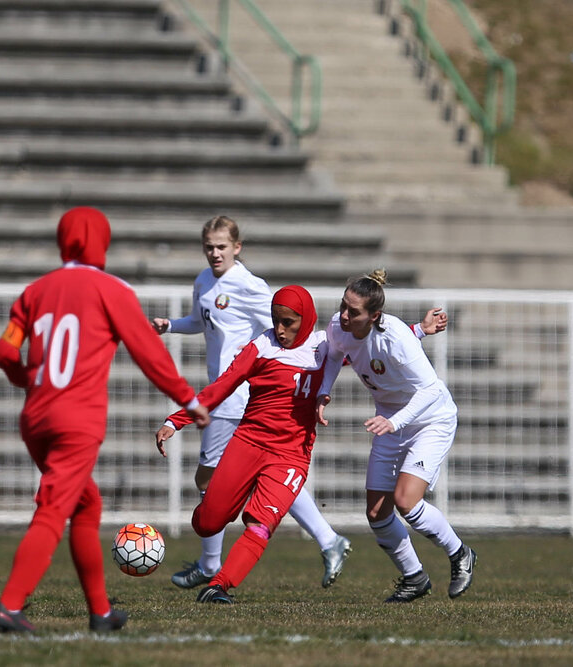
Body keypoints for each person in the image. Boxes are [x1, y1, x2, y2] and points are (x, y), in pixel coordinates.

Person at [0, 206, 210, 633]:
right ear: (101, 243)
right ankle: (9, 606)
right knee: (53, 508)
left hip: (36, 417)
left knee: (85, 503)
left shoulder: (34, 291)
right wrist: (187, 397)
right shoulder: (112, 289)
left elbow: (5, 348)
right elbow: (147, 350)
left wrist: (25, 379)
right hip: (77, 420)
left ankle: (101, 612)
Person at [149, 216, 360, 589]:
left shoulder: (252, 289)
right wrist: (172, 327)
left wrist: (416, 332)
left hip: (246, 405)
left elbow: (310, 336)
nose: (215, 253)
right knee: (224, 497)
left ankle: (213, 569)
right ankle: (326, 539)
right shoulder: (206, 283)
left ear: (237, 247)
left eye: (221, 246)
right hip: (231, 399)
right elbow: (202, 323)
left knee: (237, 489)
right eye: (209, 247)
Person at [155, 285, 336, 603]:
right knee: (208, 523)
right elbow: (223, 385)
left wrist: (417, 331)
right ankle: (211, 522)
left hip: (291, 455)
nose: (280, 330)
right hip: (248, 442)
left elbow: (370, 346)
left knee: (261, 522)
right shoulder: (262, 346)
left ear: (307, 319)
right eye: (276, 321)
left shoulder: (325, 346)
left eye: (288, 322)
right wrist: (176, 420)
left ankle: (219, 586)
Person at [316, 269, 476, 603]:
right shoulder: (339, 326)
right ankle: (415, 578)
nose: (343, 315)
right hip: (390, 421)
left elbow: (431, 390)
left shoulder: (395, 335)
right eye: (343, 306)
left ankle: (460, 553)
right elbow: (333, 353)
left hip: (430, 421)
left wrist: (395, 421)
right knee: (377, 513)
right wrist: (323, 392)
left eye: (353, 311)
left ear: (374, 316)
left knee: (406, 500)